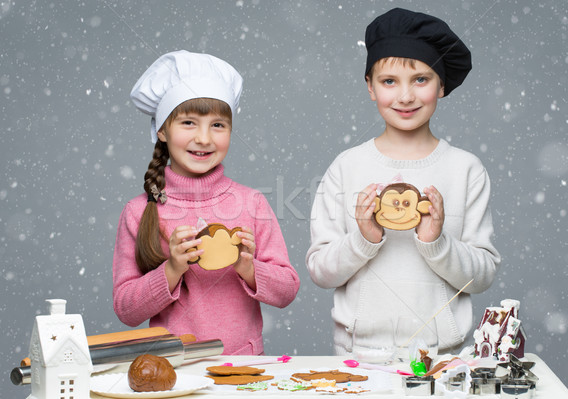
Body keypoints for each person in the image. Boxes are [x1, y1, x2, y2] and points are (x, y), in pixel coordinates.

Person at [306, 8, 501, 356]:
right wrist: (363, 239)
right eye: (389, 81)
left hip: (442, 355)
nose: (406, 96)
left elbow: (483, 276)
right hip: (358, 353)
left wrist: (436, 242)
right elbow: (321, 272)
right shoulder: (347, 166)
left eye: (421, 80)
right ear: (370, 87)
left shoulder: (466, 169)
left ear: (441, 85)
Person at [113, 50, 300, 355]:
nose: (204, 138)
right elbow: (126, 309)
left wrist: (247, 266)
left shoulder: (250, 202)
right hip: (172, 370)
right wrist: (172, 268)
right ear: (162, 130)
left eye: (217, 125)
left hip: (243, 368)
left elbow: (287, 290)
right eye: (188, 122)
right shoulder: (138, 211)